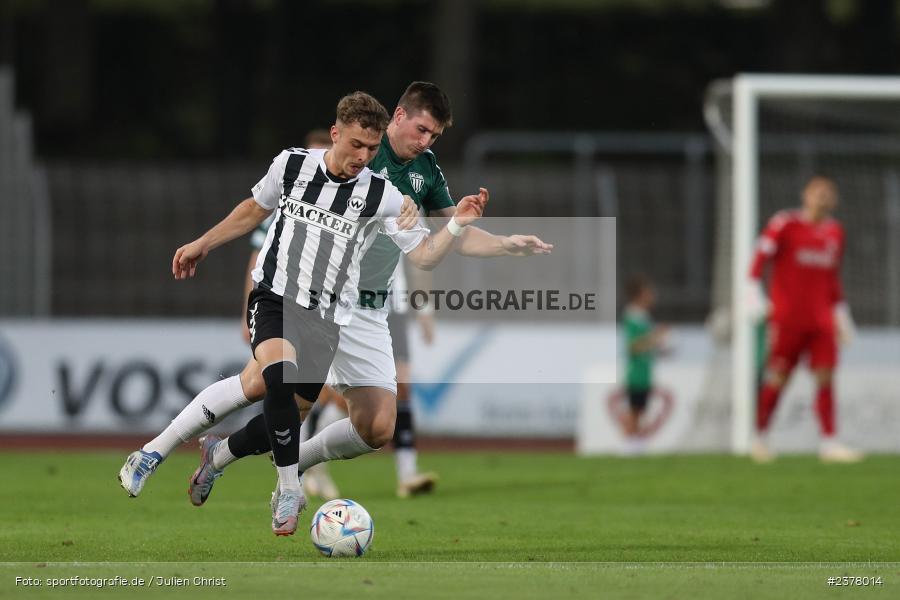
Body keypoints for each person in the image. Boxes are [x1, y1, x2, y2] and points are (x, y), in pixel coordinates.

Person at [123, 90, 489, 537]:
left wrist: (455, 223)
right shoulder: (292, 165)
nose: (362, 156)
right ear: (334, 134)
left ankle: (217, 456)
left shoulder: (382, 194)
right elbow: (251, 211)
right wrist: (202, 243)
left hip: (327, 318)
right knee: (274, 379)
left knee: (271, 402)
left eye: (372, 149)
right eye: (355, 144)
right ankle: (216, 470)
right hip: (275, 296)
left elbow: (426, 257)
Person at [747, 175, 861, 464]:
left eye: (828, 192)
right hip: (788, 317)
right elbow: (760, 258)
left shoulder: (836, 232)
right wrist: (753, 295)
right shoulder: (785, 223)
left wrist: (842, 316)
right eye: (817, 191)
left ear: (834, 200)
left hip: (821, 320)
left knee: (826, 377)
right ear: (805, 195)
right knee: (779, 377)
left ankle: (829, 443)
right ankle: (759, 438)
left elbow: (832, 279)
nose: (823, 197)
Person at [620, 274, 668, 455]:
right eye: (648, 292)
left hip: (646, 370)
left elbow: (647, 345)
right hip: (636, 372)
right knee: (634, 408)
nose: (652, 296)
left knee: (641, 408)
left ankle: (636, 442)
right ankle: (629, 443)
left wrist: (660, 347)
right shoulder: (632, 316)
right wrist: (655, 337)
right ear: (639, 294)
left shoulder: (644, 317)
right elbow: (633, 346)